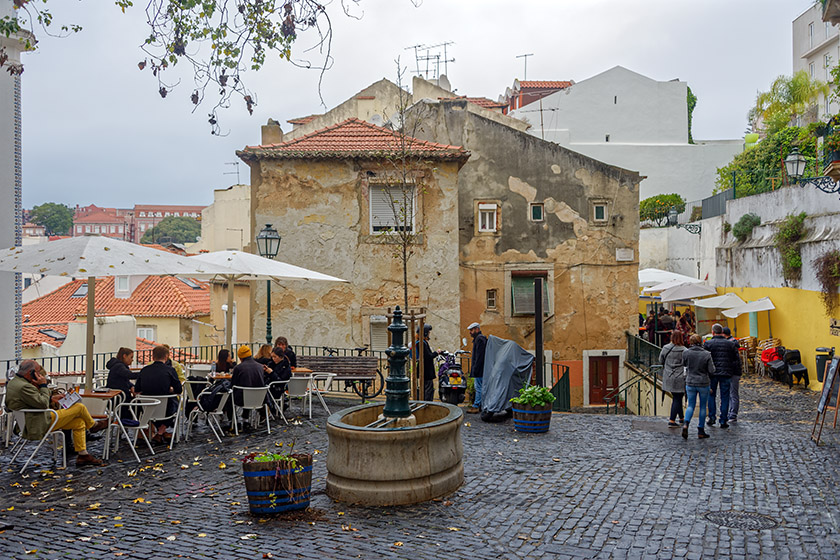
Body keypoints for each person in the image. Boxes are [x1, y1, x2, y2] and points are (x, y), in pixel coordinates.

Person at [6, 360, 108, 466]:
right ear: (31, 372)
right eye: (37, 372)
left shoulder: (13, 383)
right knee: (79, 407)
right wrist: (43, 385)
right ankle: (93, 425)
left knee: (79, 422)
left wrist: (51, 398)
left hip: (30, 422)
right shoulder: (24, 386)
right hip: (39, 423)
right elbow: (43, 404)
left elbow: (29, 401)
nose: (39, 374)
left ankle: (83, 455)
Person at [135, 345, 182, 444]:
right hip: (165, 410)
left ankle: (160, 433)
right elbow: (179, 390)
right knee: (175, 403)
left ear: (152, 357)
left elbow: (137, 389)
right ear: (166, 357)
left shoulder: (144, 370)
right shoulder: (170, 370)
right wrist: (171, 389)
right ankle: (160, 432)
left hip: (147, 409)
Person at [703, 323, 740, 429]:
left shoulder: (708, 344)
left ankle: (712, 417)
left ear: (713, 332)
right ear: (722, 332)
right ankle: (723, 419)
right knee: (725, 396)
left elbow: (705, 359)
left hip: (712, 373)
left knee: (711, 395)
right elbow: (735, 360)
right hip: (726, 373)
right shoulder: (730, 344)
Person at [682, 334, 715, 440]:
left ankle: (686, 423)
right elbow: (711, 370)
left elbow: (684, 364)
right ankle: (701, 430)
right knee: (702, 406)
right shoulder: (706, 354)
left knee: (690, 405)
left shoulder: (686, 352)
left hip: (690, 381)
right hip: (703, 382)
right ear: (700, 341)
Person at [231, 345, 267, 430]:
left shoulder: (238, 368)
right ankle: (245, 419)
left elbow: (233, 385)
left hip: (243, 400)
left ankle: (232, 420)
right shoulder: (260, 367)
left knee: (233, 394)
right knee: (249, 390)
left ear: (240, 358)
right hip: (259, 400)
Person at [659, 330, 686, 427]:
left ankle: (682, 418)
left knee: (676, 397)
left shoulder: (666, 348)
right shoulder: (684, 350)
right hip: (680, 377)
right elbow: (686, 363)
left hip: (668, 376)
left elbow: (661, 360)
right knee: (678, 398)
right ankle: (672, 420)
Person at [106, 347, 136, 417]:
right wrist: (143, 374)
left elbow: (125, 380)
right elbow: (129, 375)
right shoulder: (119, 367)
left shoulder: (118, 366)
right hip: (120, 399)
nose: (132, 360)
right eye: (131, 357)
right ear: (124, 356)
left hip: (117, 397)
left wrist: (131, 386)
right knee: (139, 405)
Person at [466, 322, 487, 414]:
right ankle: (481, 405)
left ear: (477, 329)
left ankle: (476, 406)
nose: (470, 332)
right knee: (480, 387)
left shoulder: (479, 339)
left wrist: (475, 368)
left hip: (479, 369)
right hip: (481, 368)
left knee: (478, 387)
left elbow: (479, 357)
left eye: (471, 330)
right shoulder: (480, 339)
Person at [723, 326, 741, 422]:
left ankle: (733, 414)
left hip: (732, 372)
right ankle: (732, 413)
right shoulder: (733, 343)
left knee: (733, 393)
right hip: (734, 372)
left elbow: (733, 361)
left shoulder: (730, 344)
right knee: (732, 393)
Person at [420, 324, 438, 401]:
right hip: (426, 371)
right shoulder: (423, 343)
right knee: (428, 389)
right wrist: (436, 353)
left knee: (428, 388)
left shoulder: (424, 342)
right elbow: (428, 356)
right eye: (428, 332)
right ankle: (427, 404)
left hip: (426, 371)